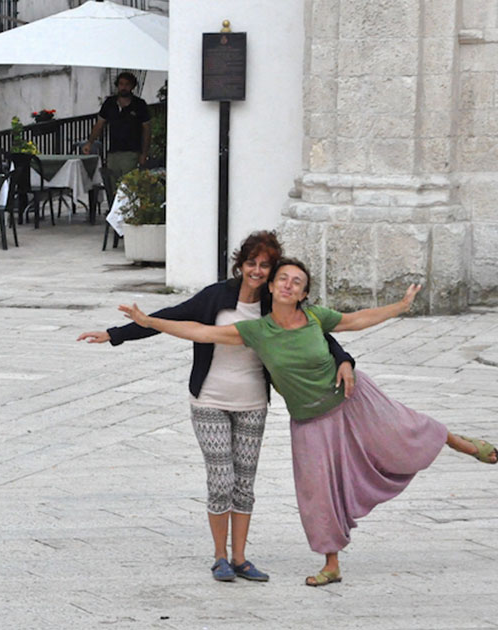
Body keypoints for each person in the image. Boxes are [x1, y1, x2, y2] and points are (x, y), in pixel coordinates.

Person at [119, 258, 497, 586]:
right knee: (317, 493)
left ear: (303, 294)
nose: (288, 284)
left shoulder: (316, 317)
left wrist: (399, 306)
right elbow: (202, 331)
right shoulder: (258, 330)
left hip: (351, 399)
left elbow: (355, 321)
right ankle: (331, 565)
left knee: (404, 430)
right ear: (271, 286)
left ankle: (457, 441)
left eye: (296, 282)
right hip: (309, 421)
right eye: (282, 278)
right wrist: (149, 321)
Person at [77, 231, 356, 582]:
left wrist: (345, 360)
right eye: (251, 263)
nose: (257, 271)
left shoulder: (276, 304)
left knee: (245, 483)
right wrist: (116, 333)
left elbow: (318, 332)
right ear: (240, 264)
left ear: (272, 272)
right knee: (221, 478)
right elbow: (172, 316)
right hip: (210, 398)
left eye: (265, 265)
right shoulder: (217, 297)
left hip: (253, 402)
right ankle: (219, 556)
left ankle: (241, 558)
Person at [82, 71, 151, 189]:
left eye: (127, 84)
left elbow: (147, 130)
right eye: (121, 84)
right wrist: (90, 142)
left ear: (132, 87)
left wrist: (144, 153)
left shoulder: (139, 105)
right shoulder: (110, 103)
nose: (123, 87)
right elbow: (99, 124)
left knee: (129, 187)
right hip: (113, 152)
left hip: (131, 152)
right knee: (113, 186)